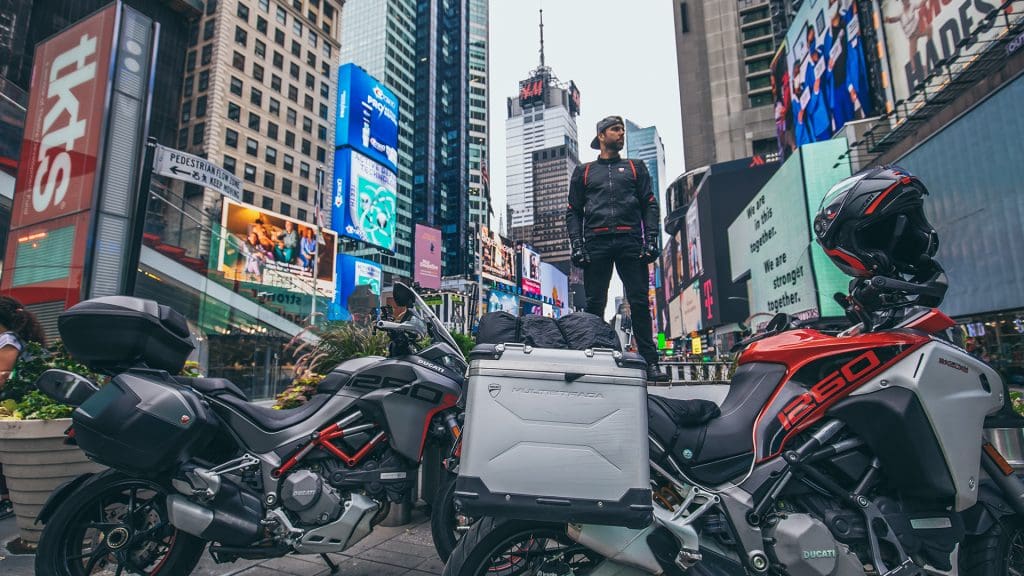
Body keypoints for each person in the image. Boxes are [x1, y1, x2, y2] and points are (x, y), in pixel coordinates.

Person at [566, 115, 669, 383]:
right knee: (593, 305)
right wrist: (577, 245)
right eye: (615, 129)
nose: (621, 133)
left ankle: (651, 363)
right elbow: (573, 212)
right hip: (596, 243)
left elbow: (650, 204)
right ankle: (588, 360)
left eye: (622, 129)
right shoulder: (584, 171)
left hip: (630, 242)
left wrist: (652, 239)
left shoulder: (636, 167)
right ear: (601, 135)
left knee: (639, 303)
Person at [0, 297, 47, 520]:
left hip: (14, 402)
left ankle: (5, 498)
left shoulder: (8, 339)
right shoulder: (14, 337)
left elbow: (2, 373)